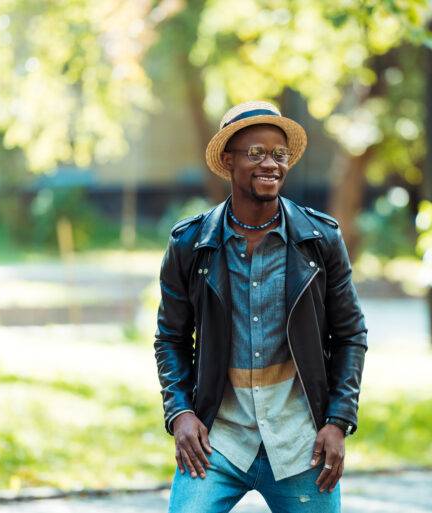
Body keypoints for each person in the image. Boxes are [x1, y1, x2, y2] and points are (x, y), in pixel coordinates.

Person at [154, 100, 367, 513]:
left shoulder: (320, 240)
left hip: (299, 441)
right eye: (256, 153)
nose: (270, 163)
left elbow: (350, 335)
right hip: (218, 439)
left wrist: (338, 421)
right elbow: (171, 338)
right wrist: (180, 412)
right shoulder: (189, 245)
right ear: (229, 161)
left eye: (279, 154)